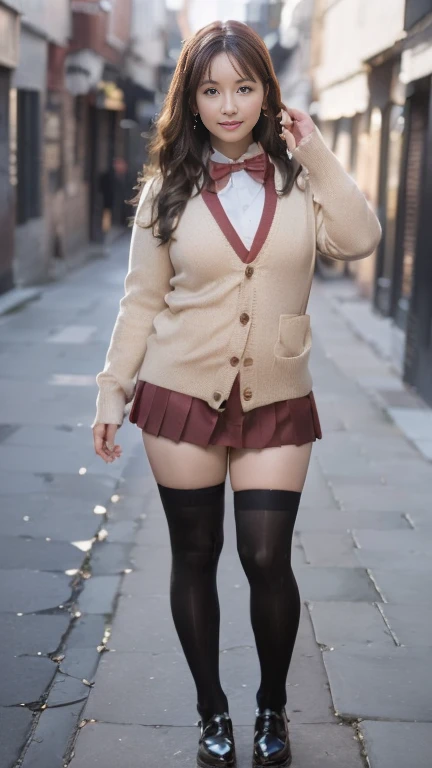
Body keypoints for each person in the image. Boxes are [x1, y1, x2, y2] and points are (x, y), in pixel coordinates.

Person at [92, 19, 381, 768]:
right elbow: (140, 302)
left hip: (276, 395)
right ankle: (211, 710)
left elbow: (362, 236)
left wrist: (313, 147)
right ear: (191, 97)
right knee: (196, 551)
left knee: (264, 555)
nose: (228, 104)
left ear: (265, 92)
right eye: (212, 89)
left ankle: (272, 707)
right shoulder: (167, 188)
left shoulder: (298, 178)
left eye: (244, 87)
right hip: (180, 392)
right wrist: (110, 392)